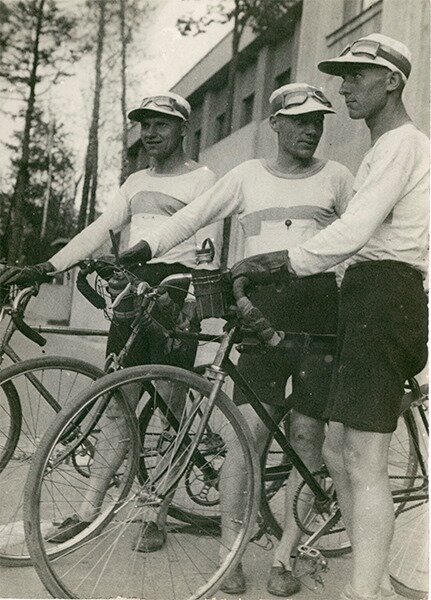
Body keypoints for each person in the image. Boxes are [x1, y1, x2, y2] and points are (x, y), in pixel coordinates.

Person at [119, 82, 354, 596]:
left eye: (317, 120)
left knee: (307, 440)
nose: (310, 129)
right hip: (257, 318)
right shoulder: (246, 176)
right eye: (298, 120)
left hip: (320, 323)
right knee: (245, 438)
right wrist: (143, 247)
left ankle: (286, 555)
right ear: (275, 124)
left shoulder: (338, 177)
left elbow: (362, 239)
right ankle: (230, 554)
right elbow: (190, 216)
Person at [230, 34, 429, 600]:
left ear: (392, 81)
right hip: (364, 298)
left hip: (386, 299)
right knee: (340, 454)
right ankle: (375, 588)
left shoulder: (402, 145)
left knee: (363, 460)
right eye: (342, 76)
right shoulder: (378, 149)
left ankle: (366, 594)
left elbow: (354, 229)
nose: (344, 87)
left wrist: (278, 260)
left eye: (357, 76)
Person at [0, 91, 221, 546]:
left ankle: (154, 515)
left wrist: (192, 299)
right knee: (116, 402)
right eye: (144, 125)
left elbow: (208, 251)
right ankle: (88, 510)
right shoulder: (136, 181)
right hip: (133, 291)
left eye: (161, 124)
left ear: (183, 128)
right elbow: (100, 229)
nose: (151, 133)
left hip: (175, 294)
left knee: (169, 408)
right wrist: (48, 266)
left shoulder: (204, 179)